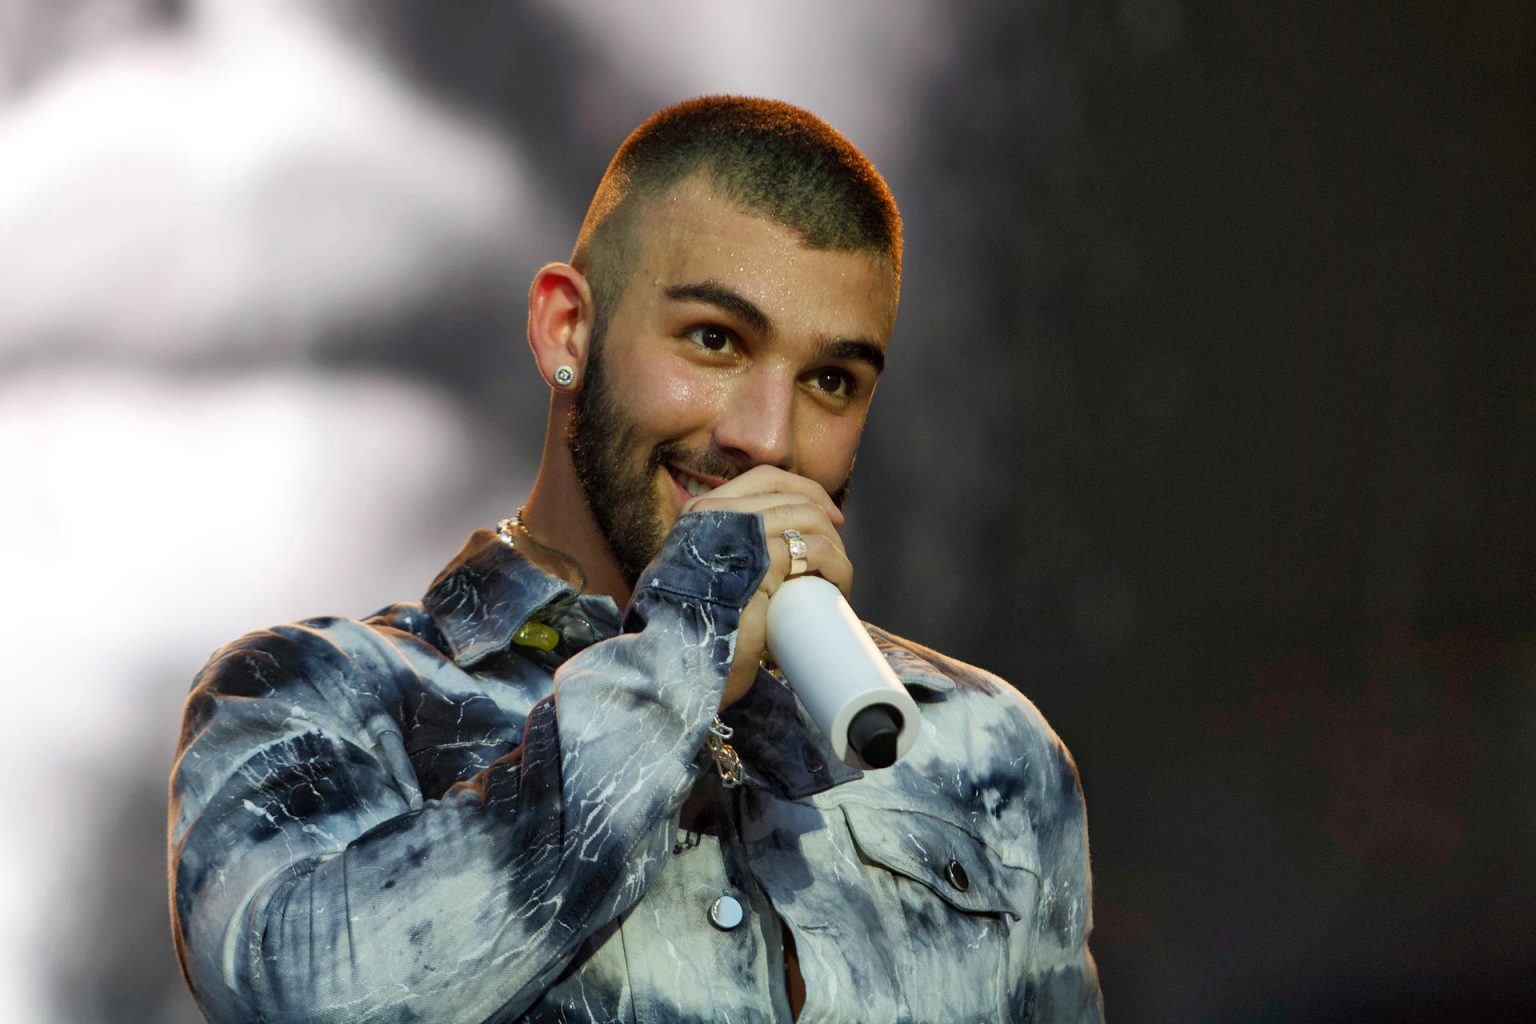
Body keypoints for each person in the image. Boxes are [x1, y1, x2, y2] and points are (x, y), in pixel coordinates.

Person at [169, 95, 1103, 1023]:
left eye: (830, 381)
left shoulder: (985, 751)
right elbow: (309, 1000)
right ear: (566, 329)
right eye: (715, 340)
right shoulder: (318, 698)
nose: (767, 439)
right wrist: (681, 660)